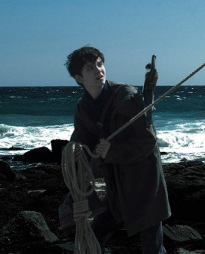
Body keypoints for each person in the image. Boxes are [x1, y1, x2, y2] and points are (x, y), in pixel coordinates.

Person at [66, 46, 171, 254]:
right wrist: (74, 151)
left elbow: (148, 141)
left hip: (144, 181)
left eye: (99, 64)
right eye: (90, 68)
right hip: (114, 185)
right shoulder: (83, 108)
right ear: (79, 78)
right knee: (95, 235)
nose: (99, 70)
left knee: (152, 246)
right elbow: (81, 143)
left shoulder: (127, 97)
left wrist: (112, 151)